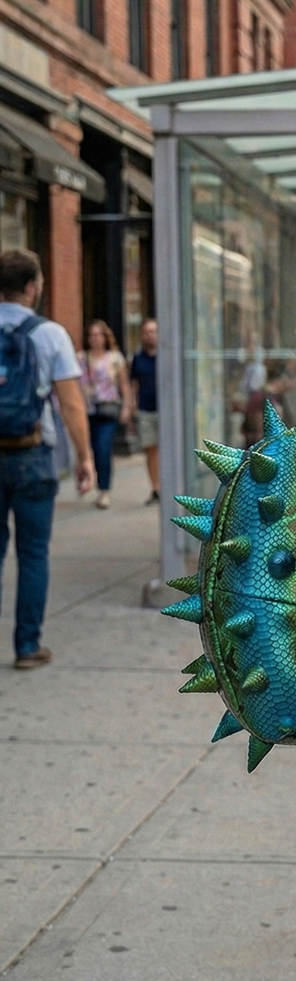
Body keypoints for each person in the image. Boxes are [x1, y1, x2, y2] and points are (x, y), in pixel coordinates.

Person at [0, 248, 94, 668]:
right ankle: (26, 646)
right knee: (33, 552)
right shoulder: (50, 334)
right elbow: (72, 404)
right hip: (33, 454)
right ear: (33, 287)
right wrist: (85, 457)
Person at [79, 319, 131, 509]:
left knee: (103, 449)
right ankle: (91, 480)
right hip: (87, 411)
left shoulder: (115, 358)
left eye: (98, 334)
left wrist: (127, 407)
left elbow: (124, 385)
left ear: (105, 336)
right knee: (90, 449)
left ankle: (104, 490)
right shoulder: (81, 358)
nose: (95, 339)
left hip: (108, 410)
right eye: (91, 335)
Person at [129, 318, 159, 504]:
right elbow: (134, 383)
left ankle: (168, 485)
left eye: (153, 331)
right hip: (146, 409)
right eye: (146, 332)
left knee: (165, 450)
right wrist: (131, 405)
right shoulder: (138, 358)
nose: (150, 335)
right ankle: (156, 488)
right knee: (150, 449)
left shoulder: (165, 357)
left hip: (165, 410)